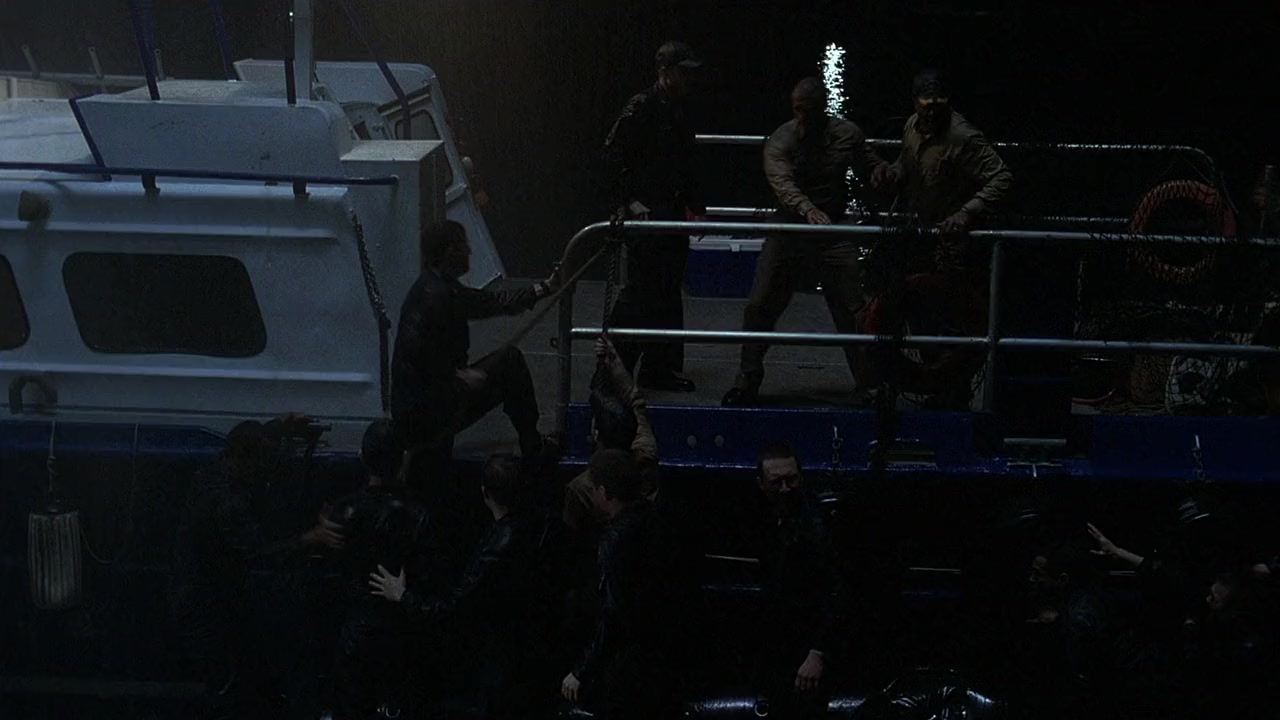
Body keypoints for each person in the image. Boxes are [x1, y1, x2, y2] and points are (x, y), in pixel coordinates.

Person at [722, 77, 887, 407]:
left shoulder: (847, 135)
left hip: (832, 230)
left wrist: (883, 172)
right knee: (760, 304)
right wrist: (806, 209)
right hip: (789, 228)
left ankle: (870, 384)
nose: (802, 118)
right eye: (797, 110)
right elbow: (782, 183)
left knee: (854, 307)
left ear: (823, 108)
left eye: (809, 111)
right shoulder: (781, 140)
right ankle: (747, 379)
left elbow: (869, 164)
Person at [170, 417, 345, 720]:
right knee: (226, 685)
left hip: (196, 594)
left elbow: (245, 440)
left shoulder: (210, 473)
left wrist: (280, 425)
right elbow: (261, 553)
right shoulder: (227, 504)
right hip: (206, 609)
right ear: (245, 461)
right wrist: (310, 538)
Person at [368, 453, 563, 719]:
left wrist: (402, 596)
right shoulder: (545, 527)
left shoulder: (495, 550)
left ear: (485, 493)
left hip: (505, 662)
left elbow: (455, 608)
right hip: (539, 650)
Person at [866, 69, 1013, 408]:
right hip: (920, 233)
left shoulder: (963, 137)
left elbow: (1002, 177)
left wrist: (966, 212)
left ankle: (955, 391)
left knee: (953, 316)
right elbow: (907, 164)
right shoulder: (911, 127)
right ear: (915, 103)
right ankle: (929, 384)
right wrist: (891, 173)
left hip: (954, 241)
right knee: (918, 310)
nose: (932, 111)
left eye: (939, 103)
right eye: (926, 104)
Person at [390, 220, 560, 491]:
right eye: (464, 245)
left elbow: (490, 303)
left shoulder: (435, 288)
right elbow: (416, 359)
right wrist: (456, 378)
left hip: (422, 407)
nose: (470, 251)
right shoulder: (439, 296)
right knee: (510, 362)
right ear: (450, 251)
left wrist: (545, 288)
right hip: (429, 412)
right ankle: (533, 447)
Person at [603, 41, 707, 392]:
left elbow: (687, 161)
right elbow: (612, 155)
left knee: (667, 291)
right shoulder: (642, 106)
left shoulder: (680, 108)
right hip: (647, 213)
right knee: (639, 293)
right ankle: (613, 367)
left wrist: (696, 206)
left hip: (671, 211)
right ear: (665, 72)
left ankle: (660, 368)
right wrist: (629, 202)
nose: (689, 78)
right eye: (683, 71)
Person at [559, 449, 683, 719]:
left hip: (629, 664)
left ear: (604, 493)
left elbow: (613, 610)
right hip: (663, 651)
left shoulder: (614, 540)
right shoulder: (657, 520)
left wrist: (581, 670)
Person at [327, 420, 430, 720]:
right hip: (400, 632)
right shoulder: (418, 516)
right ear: (402, 459)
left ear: (362, 457)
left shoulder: (343, 512)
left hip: (356, 629)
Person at [736, 441, 840, 719]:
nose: (785, 488)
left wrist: (818, 652)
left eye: (791, 480)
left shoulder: (815, 527)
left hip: (804, 646)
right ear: (761, 484)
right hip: (777, 644)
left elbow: (833, 592)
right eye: (776, 482)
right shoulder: (765, 519)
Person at [563, 334, 658, 533]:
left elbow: (570, 537)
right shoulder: (646, 454)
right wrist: (614, 363)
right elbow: (636, 402)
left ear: (596, 434)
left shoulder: (582, 489)